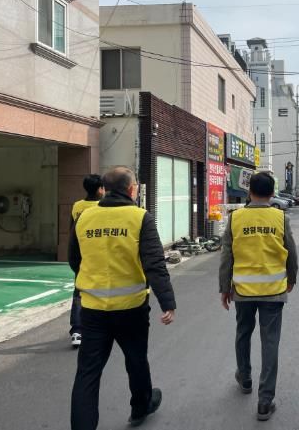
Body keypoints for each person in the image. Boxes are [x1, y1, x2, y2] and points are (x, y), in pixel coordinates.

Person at [69, 166, 176, 429]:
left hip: (92, 309)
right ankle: (140, 408)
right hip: (131, 308)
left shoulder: (84, 217)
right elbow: (154, 263)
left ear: (104, 189)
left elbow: (74, 259)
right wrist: (167, 302)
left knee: (88, 373)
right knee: (136, 359)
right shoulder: (139, 217)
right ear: (131, 189)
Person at [219, 172, 298, 421]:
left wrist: (224, 288)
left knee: (243, 332)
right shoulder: (280, 218)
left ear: (249, 191)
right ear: (272, 193)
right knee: (270, 342)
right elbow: (291, 251)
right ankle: (265, 401)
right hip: (273, 291)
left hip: (243, 290)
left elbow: (226, 256)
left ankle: (245, 378)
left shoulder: (235, 218)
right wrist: (292, 278)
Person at [69, 174, 105, 348]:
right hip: (98, 256)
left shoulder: (77, 206)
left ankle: (77, 330)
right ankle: (99, 328)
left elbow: (71, 233)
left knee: (79, 293)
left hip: (81, 256)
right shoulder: (102, 207)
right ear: (100, 189)